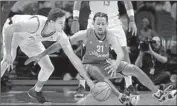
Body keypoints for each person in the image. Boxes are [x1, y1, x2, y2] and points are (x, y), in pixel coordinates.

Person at [25, 12, 177, 105]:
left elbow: (120, 53)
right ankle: (121, 97)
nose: (100, 26)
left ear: (106, 25)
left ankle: (158, 93)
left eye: (103, 24)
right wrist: (41, 55)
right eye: (98, 23)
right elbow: (60, 44)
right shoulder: (84, 34)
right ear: (93, 23)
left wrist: (116, 63)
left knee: (133, 69)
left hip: (105, 64)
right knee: (95, 69)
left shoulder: (110, 35)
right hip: (88, 67)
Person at [1, 8, 94, 104]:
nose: (63, 25)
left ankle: (36, 91)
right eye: (60, 22)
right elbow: (9, 30)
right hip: (14, 33)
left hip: (31, 40)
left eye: (64, 22)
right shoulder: (35, 23)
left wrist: (88, 79)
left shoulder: (61, 35)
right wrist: (7, 53)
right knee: (8, 60)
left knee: (48, 68)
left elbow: (74, 58)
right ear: (51, 22)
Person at [71, 0, 137, 98]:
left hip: (114, 22)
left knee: (124, 54)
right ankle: (81, 85)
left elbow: (127, 2)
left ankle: (129, 85)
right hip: (96, 22)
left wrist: (132, 20)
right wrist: (75, 19)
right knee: (86, 55)